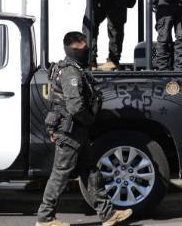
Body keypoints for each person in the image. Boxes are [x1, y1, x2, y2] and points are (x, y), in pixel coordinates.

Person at [37, 31, 132, 226]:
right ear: (73, 47)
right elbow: (75, 106)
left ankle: (108, 214)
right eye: (83, 45)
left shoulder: (70, 68)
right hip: (70, 132)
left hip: (76, 131)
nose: (87, 48)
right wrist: (89, 120)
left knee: (90, 172)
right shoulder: (70, 72)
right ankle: (45, 218)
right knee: (60, 174)